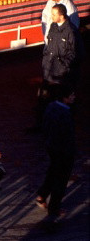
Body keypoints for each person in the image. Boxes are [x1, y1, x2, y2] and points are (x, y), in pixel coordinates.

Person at [35, 86, 76, 222]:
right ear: (64, 98)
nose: (73, 97)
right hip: (63, 150)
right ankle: (54, 208)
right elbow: (67, 135)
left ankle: (42, 195)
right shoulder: (65, 113)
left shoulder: (51, 107)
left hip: (51, 147)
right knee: (61, 178)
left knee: (53, 172)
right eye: (71, 95)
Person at [42, 4, 79, 88]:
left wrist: (63, 68)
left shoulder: (70, 31)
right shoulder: (53, 26)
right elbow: (49, 46)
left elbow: (73, 53)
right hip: (49, 70)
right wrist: (45, 62)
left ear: (61, 16)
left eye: (54, 15)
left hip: (61, 75)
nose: (51, 17)